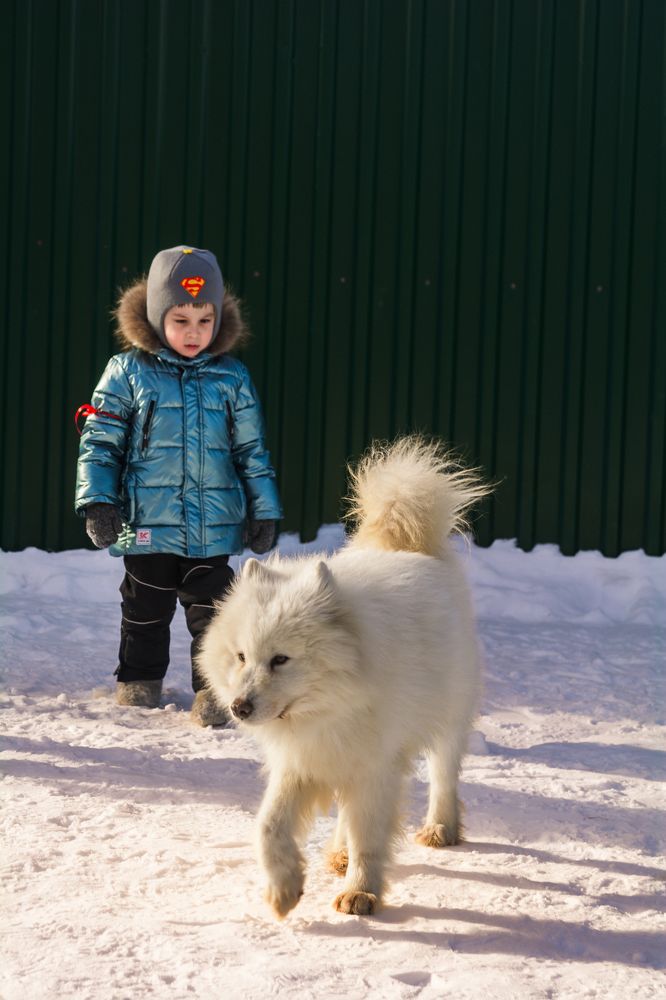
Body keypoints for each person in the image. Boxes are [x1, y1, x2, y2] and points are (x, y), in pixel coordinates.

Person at [75, 245, 282, 725]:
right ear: (155, 317)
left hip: (214, 525)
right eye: (181, 320)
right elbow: (100, 444)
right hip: (148, 522)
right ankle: (138, 681)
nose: (194, 333)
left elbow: (251, 451)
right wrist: (98, 501)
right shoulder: (128, 372)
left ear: (218, 320)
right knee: (144, 608)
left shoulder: (232, 377)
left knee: (213, 614)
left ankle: (213, 692)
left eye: (204, 321)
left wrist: (263, 508)